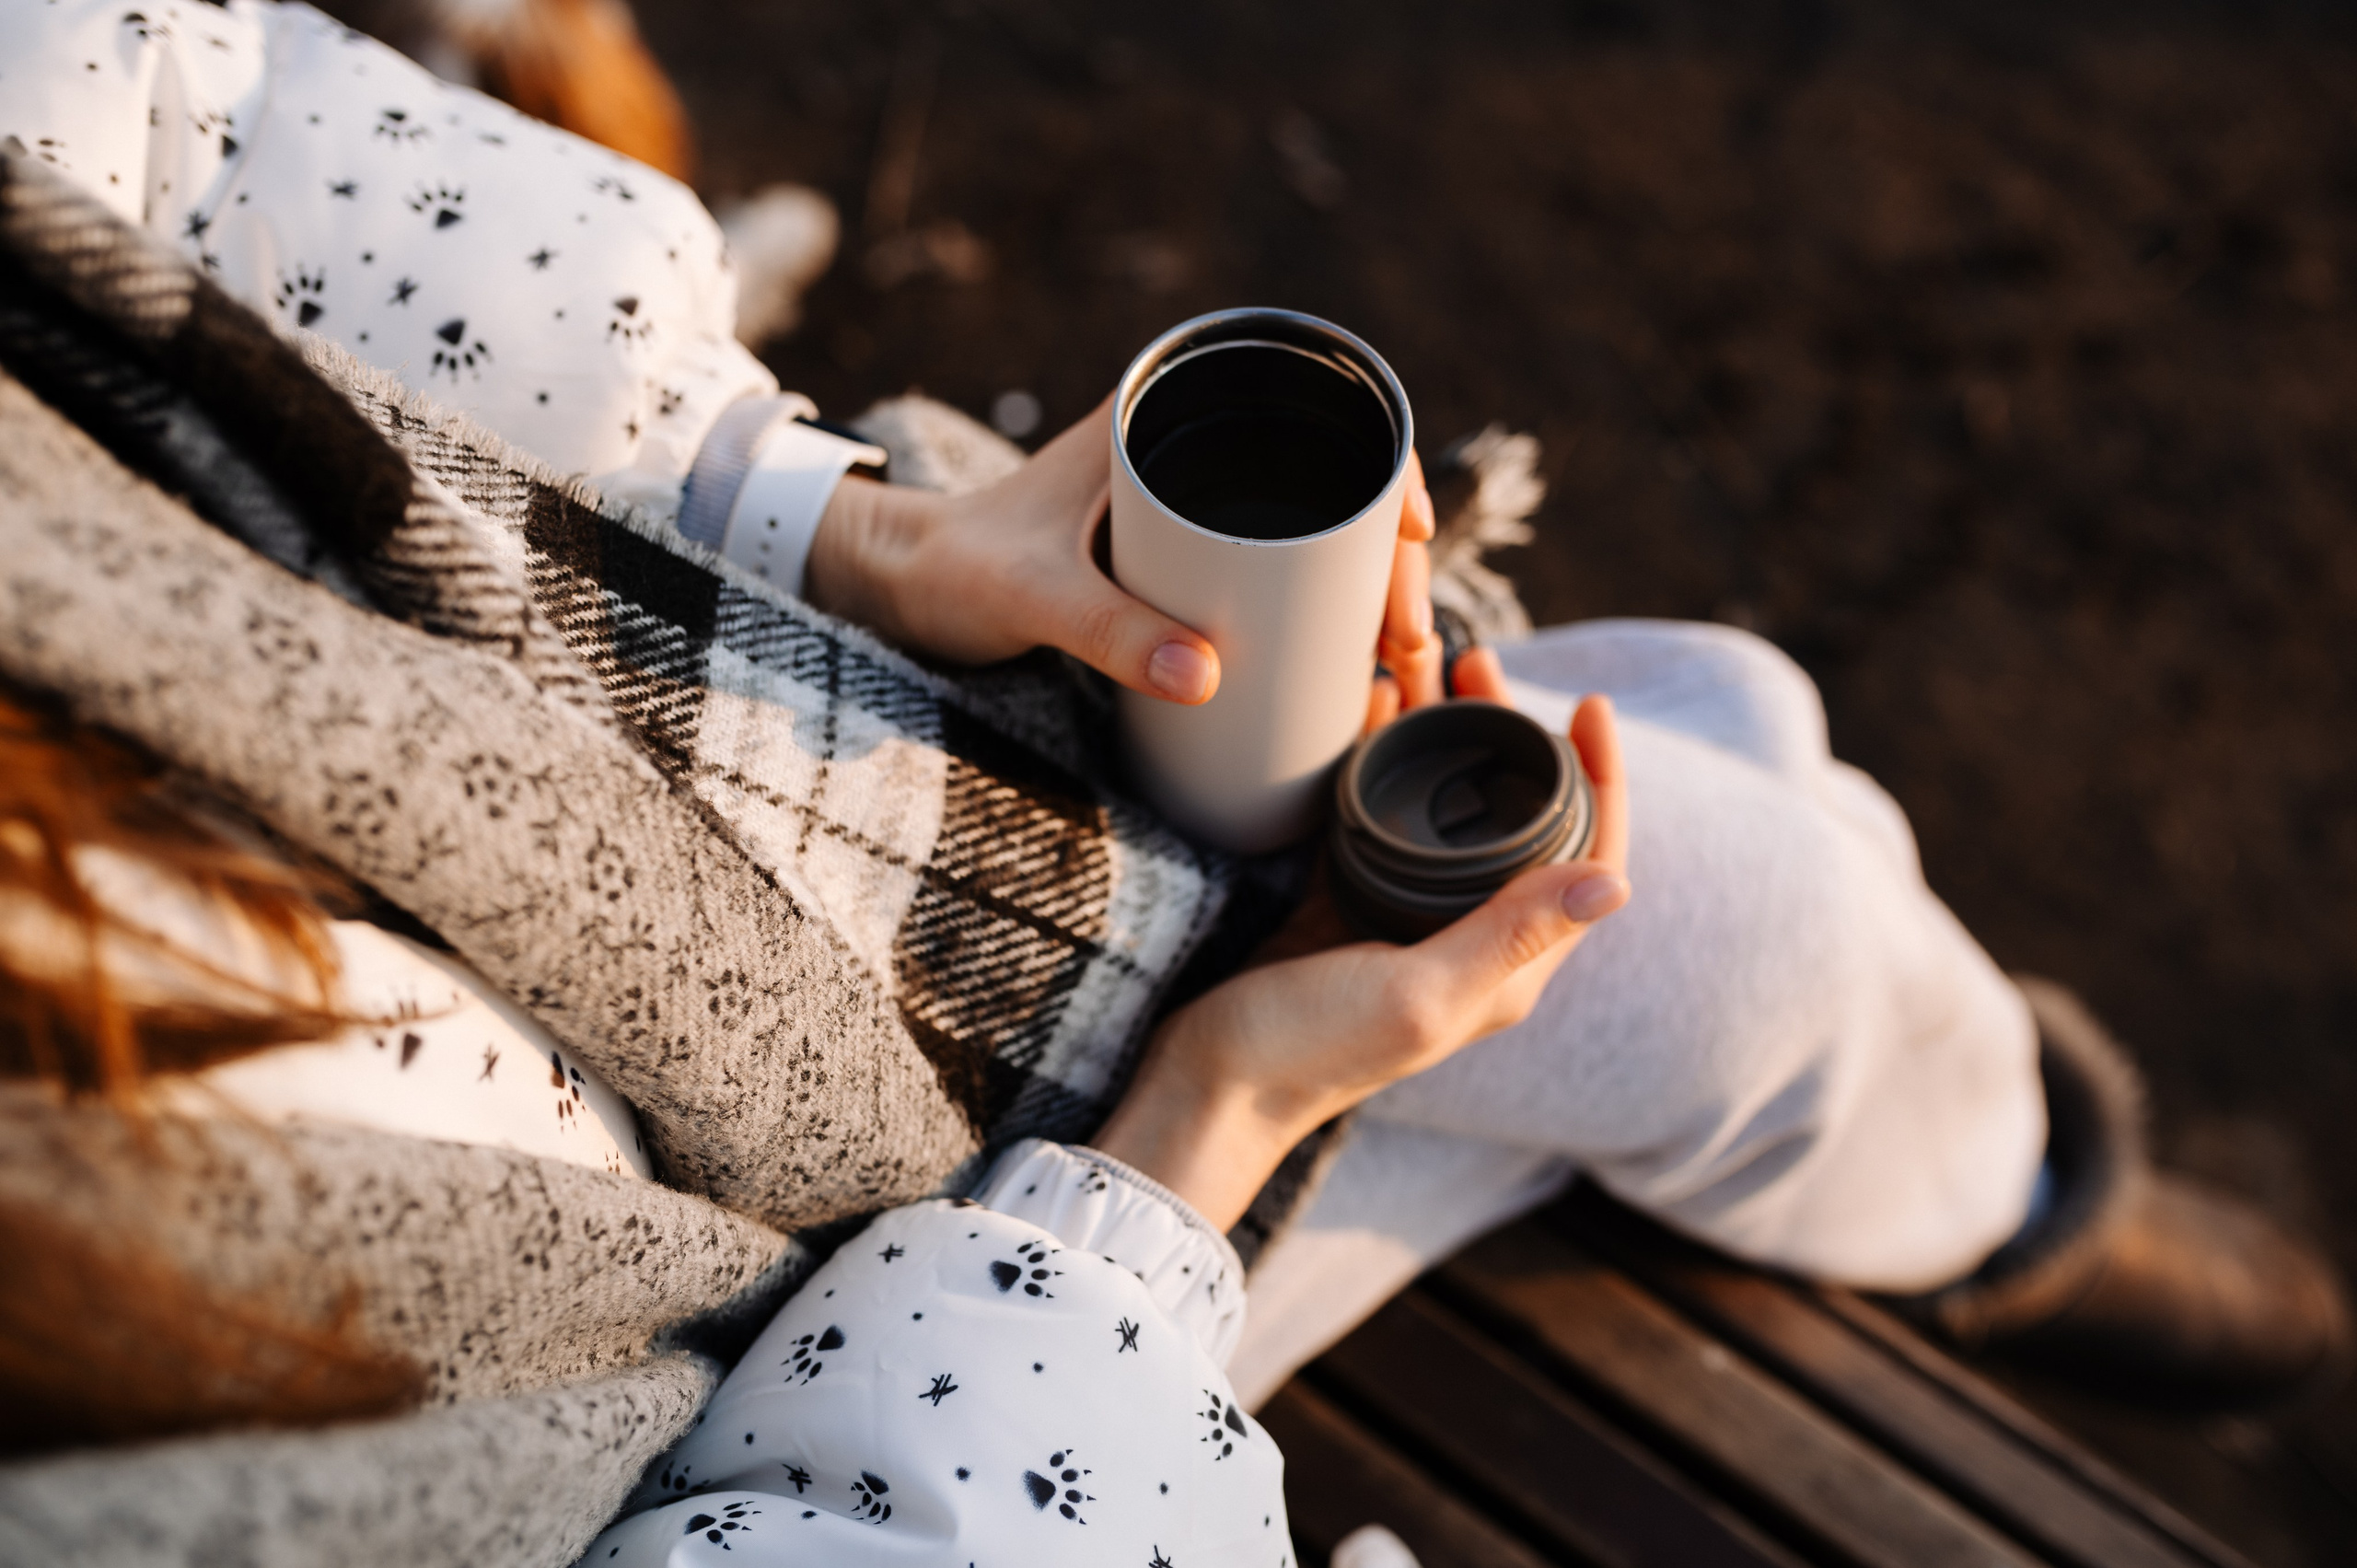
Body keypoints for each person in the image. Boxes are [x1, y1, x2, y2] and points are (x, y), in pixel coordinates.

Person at [0, 2, 2341, 1523]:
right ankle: (2016, 1203)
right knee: (1738, 846)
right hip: (887, 1341)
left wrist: (821, 515)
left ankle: (1990, 1177)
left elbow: (184, 113)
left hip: (780, 720)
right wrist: (1200, 1127)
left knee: (1707, 801)